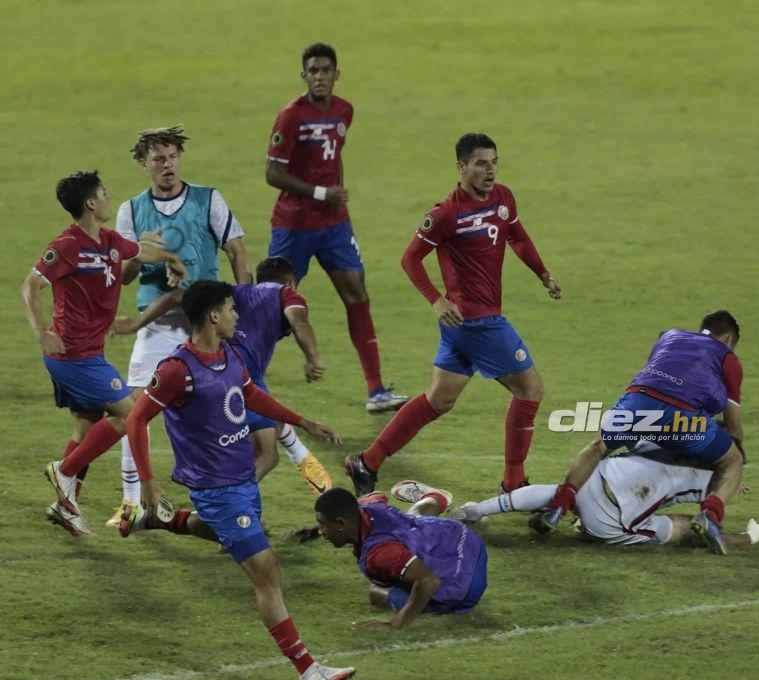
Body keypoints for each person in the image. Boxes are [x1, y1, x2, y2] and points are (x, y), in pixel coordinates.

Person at [120, 280, 354, 680]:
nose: (237, 315)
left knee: (218, 533)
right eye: (230, 309)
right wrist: (148, 482)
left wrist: (303, 421)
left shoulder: (228, 354)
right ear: (212, 315)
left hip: (243, 478)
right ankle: (308, 669)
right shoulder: (177, 370)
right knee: (267, 569)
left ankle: (160, 520)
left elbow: (251, 395)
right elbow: (136, 418)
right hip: (215, 487)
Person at [344, 133, 562, 496]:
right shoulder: (446, 214)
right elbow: (410, 257)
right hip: (478, 321)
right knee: (531, 389)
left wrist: (543, 275)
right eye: (480, 163)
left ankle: (367, 461)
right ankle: (513, 483)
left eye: (493, 162)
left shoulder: (503, 197)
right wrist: (435, 299)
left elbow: (518, 237)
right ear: (461, 167)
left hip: (464, 327)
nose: (489, 170)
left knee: (438, 400)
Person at [22, 170, 184, 536]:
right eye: (104, 193)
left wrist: (171, 260)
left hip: (89, 353)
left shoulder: (110, 240)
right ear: (91, 202)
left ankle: (66, 505)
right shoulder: (66, 245)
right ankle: (63, 472)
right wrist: (40, 333)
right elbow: (30, 286)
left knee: (86, 429)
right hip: (73, 356)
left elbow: (142, 250)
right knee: (132, 414)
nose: (110, 197)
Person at [111, 124, 253, 527]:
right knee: (135, 409)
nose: (168, 165)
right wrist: (143, 254)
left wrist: (243, 306)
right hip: (157, 323)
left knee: (230, 406)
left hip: (206, 323)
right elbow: (123, 275)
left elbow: (237, 252)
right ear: (143, 164)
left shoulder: (209, 199)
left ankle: (232, 494)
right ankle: (131, 502)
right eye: (159, 159)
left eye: (173, 156)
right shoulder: (131, 210)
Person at [265, 42, 406, 414]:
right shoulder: (291, 117)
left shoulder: (345, 111)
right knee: (271, 305)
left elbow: (333, 159)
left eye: (326, 70)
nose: (320, 77)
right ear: (304, 76)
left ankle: (376, 390)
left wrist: (334, 198)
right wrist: (320, 191)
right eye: (313, 71)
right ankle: (239, 373)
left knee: (356, 291)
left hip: (333, 225)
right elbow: (273, 173)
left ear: (336, 75)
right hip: (294, 225)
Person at [115, 256, 333, 494]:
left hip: (217, 363)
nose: (236, 316)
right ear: (291, 282)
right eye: (232, 312)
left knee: (254, 435)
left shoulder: (234, 293)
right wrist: (313, 357)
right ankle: (230, 503)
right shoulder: (287, 294)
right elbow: (299, 323)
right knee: (265, 454)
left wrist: (136, 325)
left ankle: (293, 459)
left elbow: (173, 297)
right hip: (238, 370)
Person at [536, 310, 746, 555]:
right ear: (729, 339)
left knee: (598, 447)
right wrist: (735, 455)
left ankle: (558, 508)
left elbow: (650, 373)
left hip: (638, 400)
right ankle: (710, 516)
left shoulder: (668, 336)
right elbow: (732, 425)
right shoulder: (728, 358)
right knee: (732, 460)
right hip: (683, 416)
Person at [452, 442, 759, 551]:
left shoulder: (666, 432)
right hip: (610, 521)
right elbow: (717, 485)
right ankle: (745, 539)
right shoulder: (706, 477)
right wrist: (729, 481)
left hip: (596, 476)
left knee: (557, 492)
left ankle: (478, 510)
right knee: (679, 528)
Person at [311, 485, 488, 630]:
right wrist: (317, 531)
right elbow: (376, 495)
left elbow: (429, 581)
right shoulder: (367, 507)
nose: (321, 531)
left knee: (376, 593)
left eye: (322, 526)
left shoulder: (380, 553)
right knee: (412, 520)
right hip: (455, 534)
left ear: (340, 524)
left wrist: (395, 624)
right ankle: (435, 497)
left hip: (466, 585)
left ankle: (435, 498)